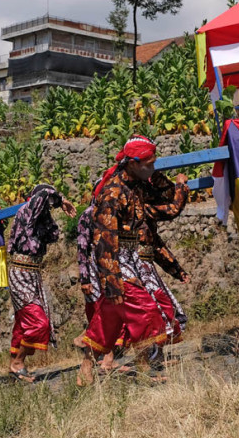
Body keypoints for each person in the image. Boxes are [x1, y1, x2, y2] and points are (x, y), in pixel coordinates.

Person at [76, 136, 169, 386]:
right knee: (145, 310)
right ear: (133, 163)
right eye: (149, 164)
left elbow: (168, 197)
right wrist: (112, 281)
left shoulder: (137, 186)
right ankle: (144, 368)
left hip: (132, 258)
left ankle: (86, 368)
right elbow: (104, 240)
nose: (153, 168)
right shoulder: (112, 193)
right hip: (116, 262)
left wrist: (157, 176)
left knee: (109, 319)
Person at [5, 184, 76, 382]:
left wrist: (49, 213)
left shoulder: (39, 219)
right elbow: (43, 195)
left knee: (23, 322)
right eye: (48, 203)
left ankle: (15, 367)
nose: (49, 206)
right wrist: (61, 200)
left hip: (33, 273)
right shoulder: (26, 210)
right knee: (38, 322)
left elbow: (53, 234)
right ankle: (18, 362)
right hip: (20, 272)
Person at [139, 172, 191, 355]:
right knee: (153, 310)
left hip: (142, 265)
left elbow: (155, 245)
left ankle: (154, 356)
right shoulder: (137, 207)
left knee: (156, 310)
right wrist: (181, 186)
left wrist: (176, 270)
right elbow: (172, 209)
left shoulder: (142, 212)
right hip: (134, 267)